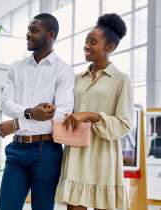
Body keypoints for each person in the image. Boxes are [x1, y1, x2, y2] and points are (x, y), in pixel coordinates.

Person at [0, 13, 75, 210]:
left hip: (46, 151)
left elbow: (60, 115)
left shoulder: (63, 71)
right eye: (29, 30)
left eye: (34, 30)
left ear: (50, 35)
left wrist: (16, 123)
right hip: (16, 150)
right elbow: (5, 103)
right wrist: (31, 112)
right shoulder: (16, 68)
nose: (28, 34)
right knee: (7, 207)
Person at [55, 13, 132, 210]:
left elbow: (125, 124)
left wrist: (91, 115)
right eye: (86, 41)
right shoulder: (77, 79)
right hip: (77, 157)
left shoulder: (121, 80)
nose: (86, 46)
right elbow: (68, 113)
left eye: (93, 41)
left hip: (103, 159)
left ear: (110, 47)